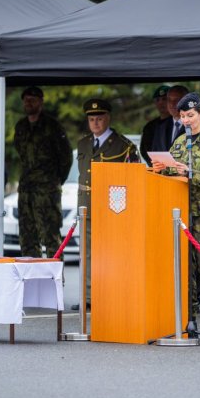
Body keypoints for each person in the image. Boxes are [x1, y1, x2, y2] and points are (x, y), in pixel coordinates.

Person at [152, 92, 200, 340]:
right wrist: (162, 169)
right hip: (181, 213)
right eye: (183, 116)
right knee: (184, 268)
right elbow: (170, 173)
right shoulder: (180, 143)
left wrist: (191, 173)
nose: (186, 120)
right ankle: (188, 318)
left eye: (190, 115)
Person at [72, 98, 140, 311]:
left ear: (108, 118)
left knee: (112, 252)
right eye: (92, 119)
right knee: (87, 252)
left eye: (99, 118)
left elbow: (133, 178)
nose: (95, 122)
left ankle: (112, 293)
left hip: (112, 207)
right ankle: (89, 296)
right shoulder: (83, 143)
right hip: (86, 205)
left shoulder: (124, 145)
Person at [14, 86, 73, 258]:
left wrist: (54, 181)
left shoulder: (52, 126)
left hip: (47, 191)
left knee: (50, 237)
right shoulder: (21, 126)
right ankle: (32, 281)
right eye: (25, 100)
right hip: (26, 190)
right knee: (27, 239)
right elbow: (20, 153)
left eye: (32, 100)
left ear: (41, 102)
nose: (28, 103)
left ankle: (54, 282)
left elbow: (66, 157)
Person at [140, 85, 170, 166]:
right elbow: (144, 150)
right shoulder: (150, 127)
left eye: (164, 99)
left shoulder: (178, 123)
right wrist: (153, 164)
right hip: (156, 168)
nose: (161, 102)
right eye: (157, 100)